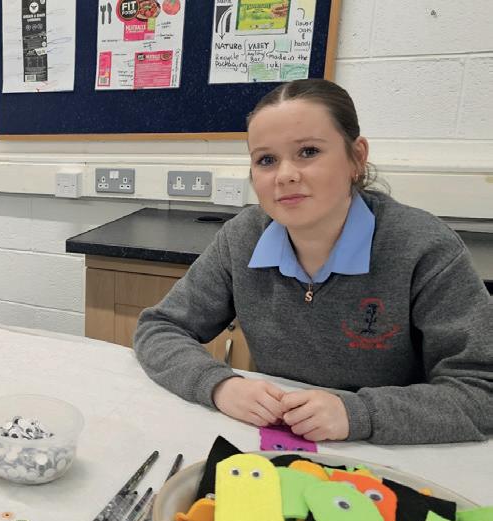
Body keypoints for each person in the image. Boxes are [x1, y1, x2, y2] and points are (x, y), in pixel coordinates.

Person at [134, 79, 493, 444]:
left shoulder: (424, 248)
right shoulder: (242, 238)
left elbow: (482, 390)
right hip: (280, 443)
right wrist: (220, 385)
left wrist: (358, 413)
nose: (286, 175)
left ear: (356, 157)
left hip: (392, 452)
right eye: (266, 160)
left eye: (308, 152)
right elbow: (159, 328)